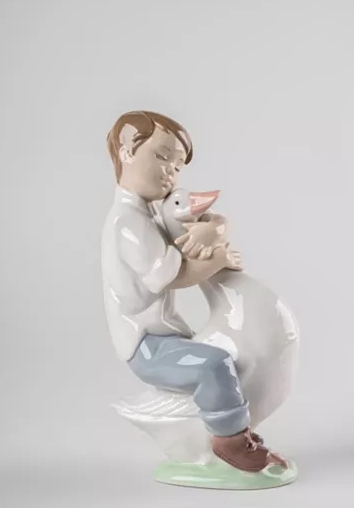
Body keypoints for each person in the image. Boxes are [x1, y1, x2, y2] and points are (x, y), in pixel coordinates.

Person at [101, 110, 286, 471]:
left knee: (231, 356)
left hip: (166, 334)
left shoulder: (150, 214)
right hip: (145, 346)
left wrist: (214, 228)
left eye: (177, 166)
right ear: (126, 152)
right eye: (162, 156)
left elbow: (193, 217)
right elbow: (177, 275)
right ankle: (230, 440)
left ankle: (230, 427)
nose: (170, 172)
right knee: (214, 364)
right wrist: (218, 259)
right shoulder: (128, 224)